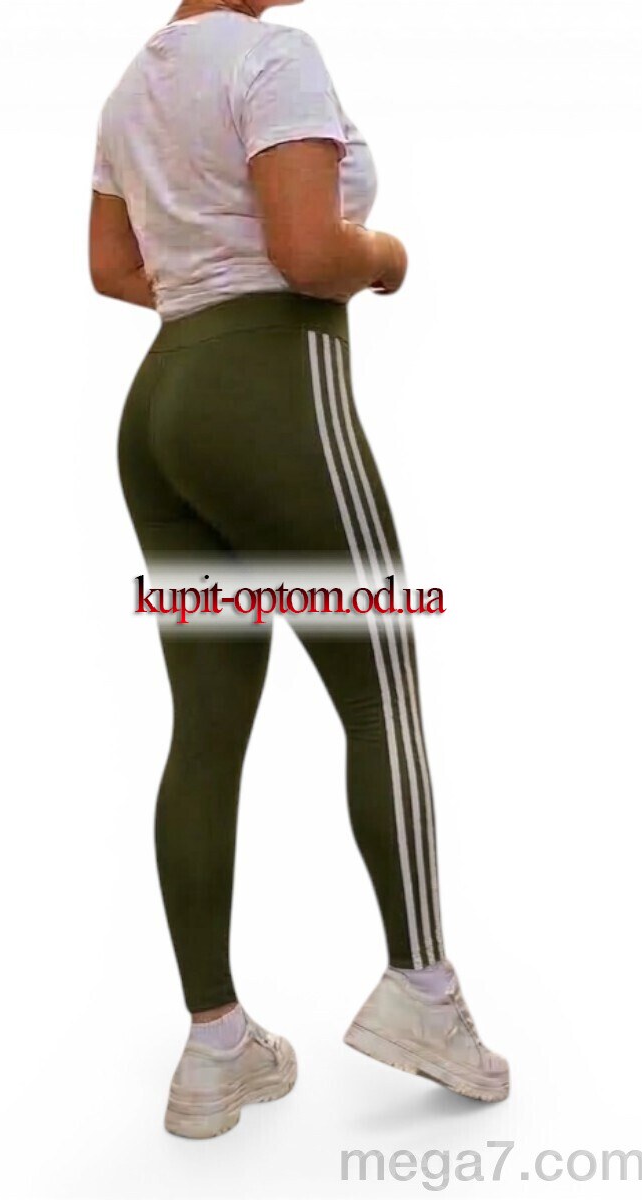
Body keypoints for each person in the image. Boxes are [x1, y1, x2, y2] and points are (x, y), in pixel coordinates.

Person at [89, 0, 509, 1139]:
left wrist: (206, 286)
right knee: (381, 696)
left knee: (205, 728)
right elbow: (312, 255)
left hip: (162, 408)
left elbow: (111, 267)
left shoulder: (132, 87)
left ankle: (214, 1049)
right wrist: (390, 259)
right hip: (271, 396)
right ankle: (423, 992)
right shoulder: (274, 56)